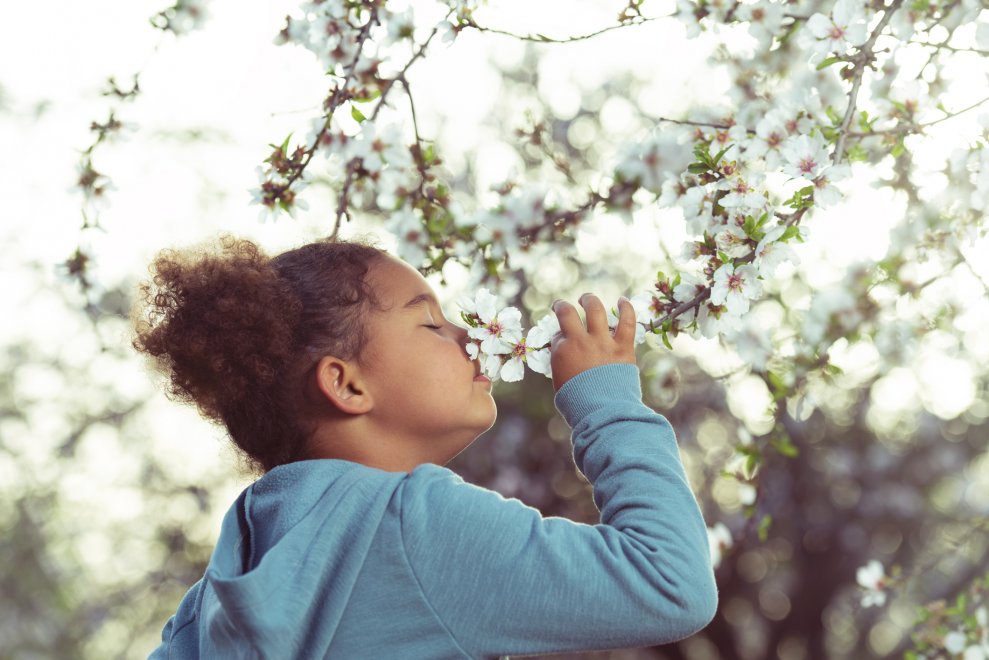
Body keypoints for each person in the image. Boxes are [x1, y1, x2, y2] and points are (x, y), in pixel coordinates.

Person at [135, 235, 718, 659]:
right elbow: (671, 584)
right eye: (432, 324)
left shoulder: (220, 587)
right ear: (346, 384)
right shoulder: (416, 524)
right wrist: (606, 403)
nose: (468, 337)